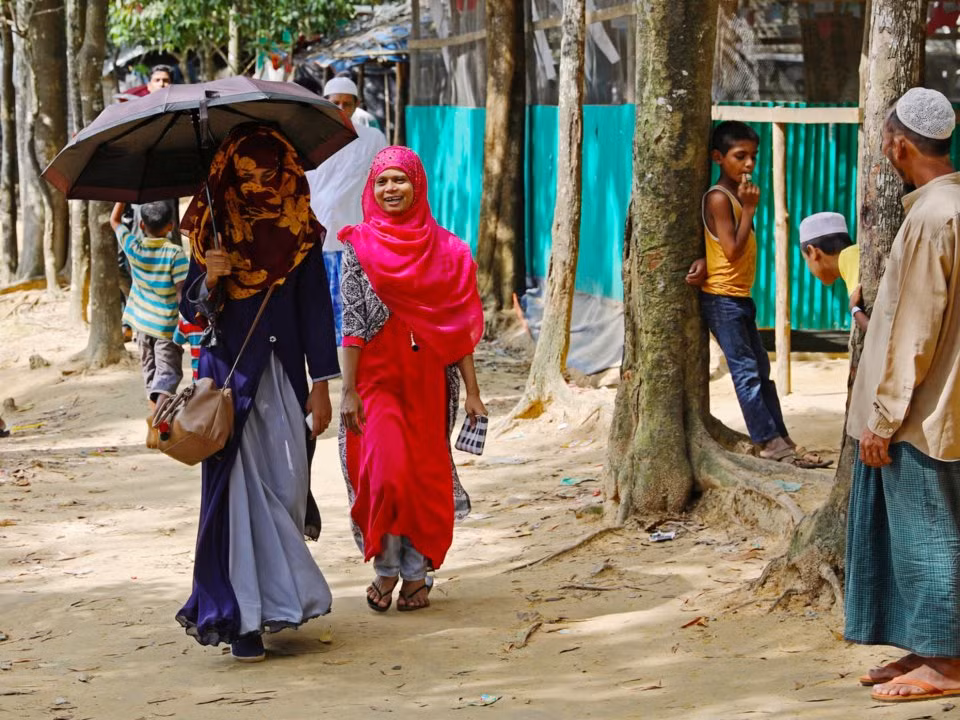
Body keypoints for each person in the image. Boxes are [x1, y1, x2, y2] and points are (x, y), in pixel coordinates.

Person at [176, 124, 339, 662]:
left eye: (270, 173)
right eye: (248, 174)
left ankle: (278, 599)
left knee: (287, 488)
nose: (260, 185)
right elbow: (191, 313)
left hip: (287, 378)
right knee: (237, 498)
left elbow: (317, 308)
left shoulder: (302, 232)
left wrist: (322, 384)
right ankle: (242, 618)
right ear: (229, 173)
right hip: (229, 383)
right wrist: (212, 278)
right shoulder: (210, 228)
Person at [844, 87, 960, 704]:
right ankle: (929, 648)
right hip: (944, 403)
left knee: (927, 535)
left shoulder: (931, 216)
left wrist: (883, 419)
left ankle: (947, 664)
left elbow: (919, 328)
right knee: (922, 532)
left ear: (898, 144)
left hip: (921, 412)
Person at [339, 146, 485, 612]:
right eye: (382, 181)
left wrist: (474, 395)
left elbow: (458, 329)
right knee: (388, 476)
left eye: (399, 180)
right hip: (375, 380)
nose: (390, 190)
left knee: (422, 479)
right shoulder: (357, 245)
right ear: (371, 188)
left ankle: (416, 575)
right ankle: (387, 569)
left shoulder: (449, 250)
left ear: (417, 185)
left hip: (429, 380)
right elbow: (352, 322)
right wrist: (346, 390)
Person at [697, 121, 825, 468]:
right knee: (746, 373)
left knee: (761, 369)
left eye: (753, 156)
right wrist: (750, 210)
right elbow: (732, 250)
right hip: (722, 299)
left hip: (739, 296)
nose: (749, 163)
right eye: (740, 156)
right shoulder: (720, 198)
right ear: (718, 157)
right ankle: (768, 443)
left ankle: (780, 436)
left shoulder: (735, 195)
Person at [306, 76, 388, 346]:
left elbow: (382, 183)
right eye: (335, 102)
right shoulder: (309, 138)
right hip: (316, 236)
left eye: (347, 103)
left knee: (354, 304)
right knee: (319, 305)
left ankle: (352, 362)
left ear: (357, 105)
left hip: (355, 237)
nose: (341, 107)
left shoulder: (373, 138)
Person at [118, 64, 179, 342]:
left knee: (168, 255)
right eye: (158, 80)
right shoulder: (138, 112)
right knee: (132, 259)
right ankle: (135, 317)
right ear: (149, 84)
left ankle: (169, 319)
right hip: (140, 191)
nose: (163, 84)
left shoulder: (178, 112)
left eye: (167, 80)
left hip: (167, 189)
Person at [110, 200, 187, 411]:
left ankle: (155, 421)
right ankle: (159, 420)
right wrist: (186, 323)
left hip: (141, 325)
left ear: (142, 225)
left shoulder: (134, 247)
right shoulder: (175, 254)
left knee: (151, 374)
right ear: (171, 225)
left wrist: (122, 197)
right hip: (166, 328)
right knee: (168, 376)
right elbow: (182, 292)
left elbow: (115, 221)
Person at [799, 212, 868, 333]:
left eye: (806, 259)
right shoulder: (855, 253)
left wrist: (854, 309)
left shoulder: (850, 259)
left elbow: (879, 332)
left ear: (812, 252)